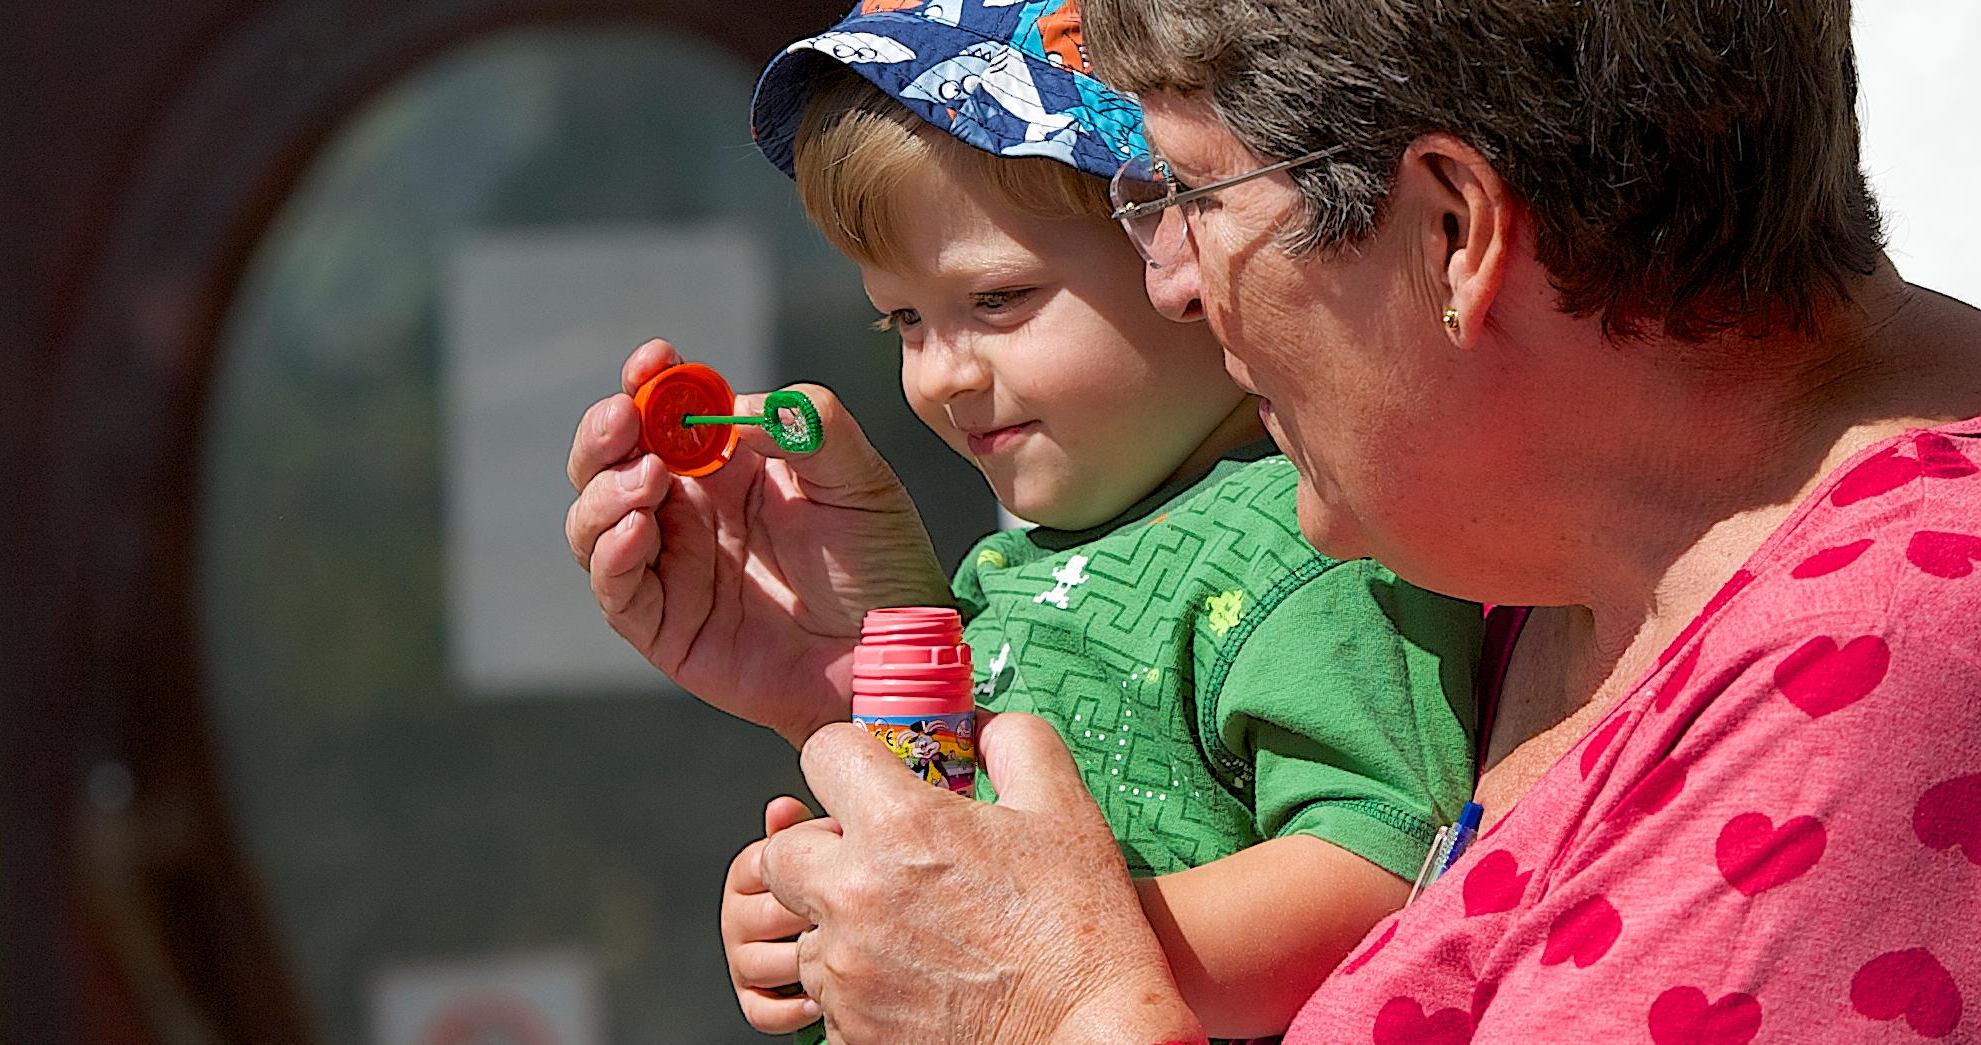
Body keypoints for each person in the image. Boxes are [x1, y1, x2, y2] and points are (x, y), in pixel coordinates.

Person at [726, 0, 1981, 1040]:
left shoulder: (1896, 649)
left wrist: (1046, 1006)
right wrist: (865, 676)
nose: (1168, 281)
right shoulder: (1511, 528)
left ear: (1452, 229)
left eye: (1192, 192)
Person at [561, 4, 1481, 1036]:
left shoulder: (1301, 545)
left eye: (997, 299)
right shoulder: (1004, 577)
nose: (943, 374)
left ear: (1180, 249)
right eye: (904, 318)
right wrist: (818, 922)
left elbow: (1378, 873)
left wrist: (1017, 944)